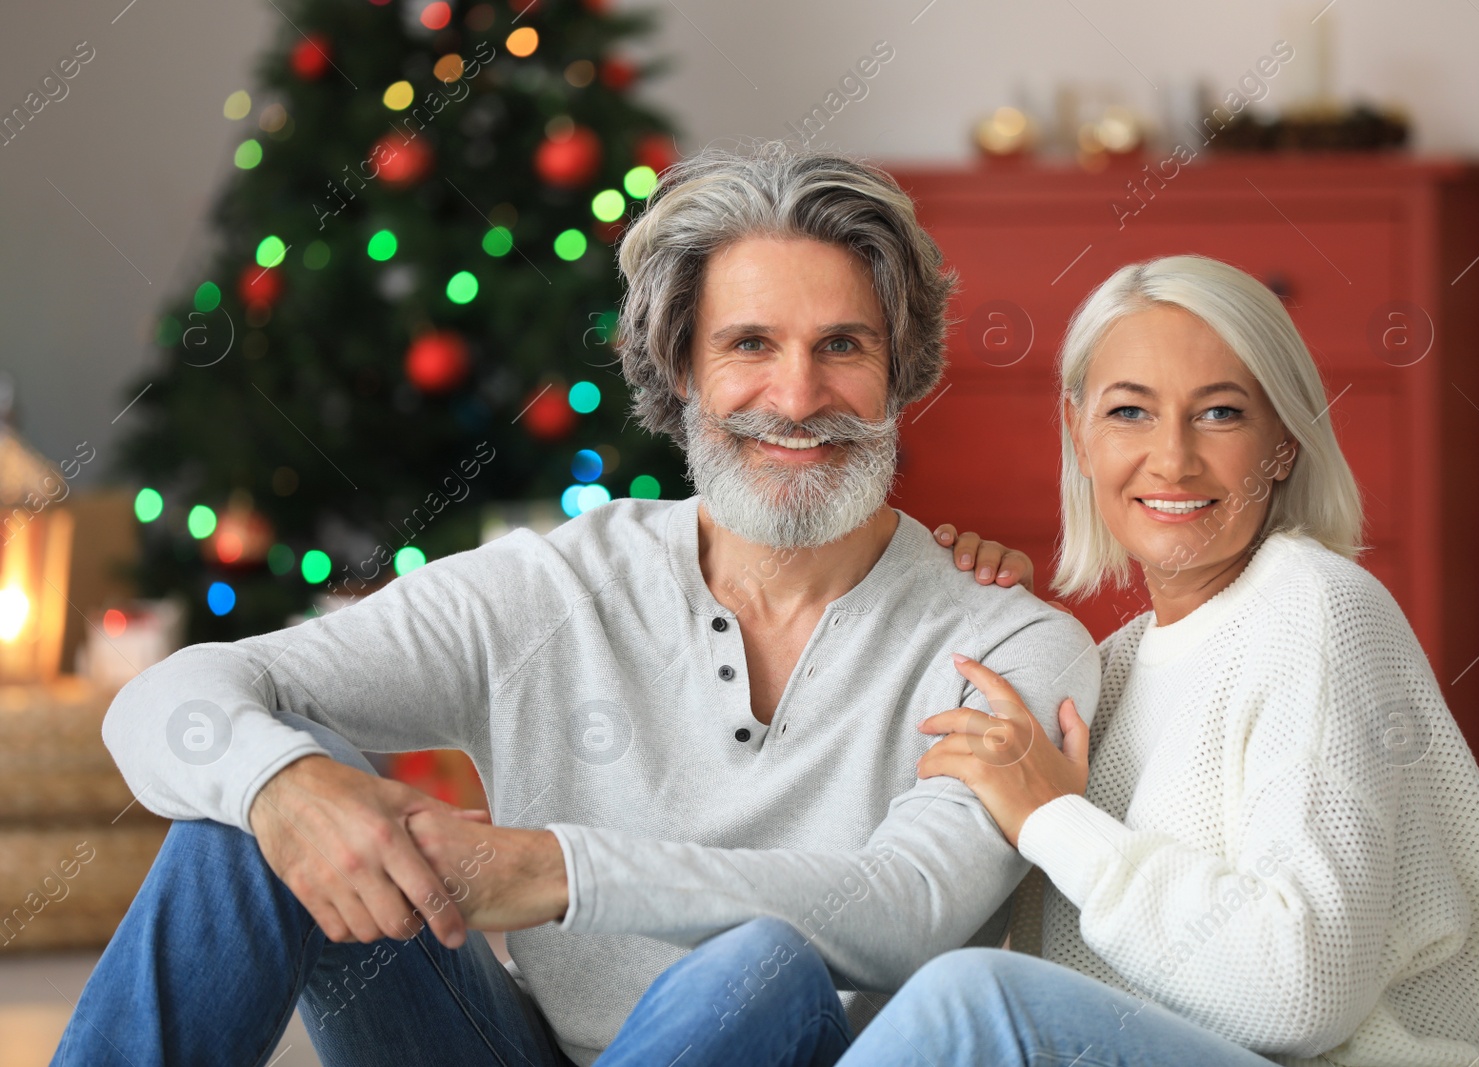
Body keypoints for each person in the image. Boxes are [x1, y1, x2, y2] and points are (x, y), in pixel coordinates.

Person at [52, 144, 1099, 1067]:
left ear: (898, 374)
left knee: (767, 965)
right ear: (680, 365)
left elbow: (905, 910)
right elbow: (171, 698)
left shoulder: (1004, 638)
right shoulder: (559, 583)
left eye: (842, 346)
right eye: (748, 344)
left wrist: (554, 870)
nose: (794, 396)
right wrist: (284, 787)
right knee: (253, 813)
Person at [593, 255, 1479, 1067]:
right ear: (1076, 430)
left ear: (1284, 442)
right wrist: (943, 613)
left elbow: (1299, 992)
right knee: (770, 966)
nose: (1173, 460)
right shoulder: (1109, 667)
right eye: (1129, 412)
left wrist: (1054, 817)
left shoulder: (1314, 606)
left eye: (1222, 413)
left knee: (978, 1003)